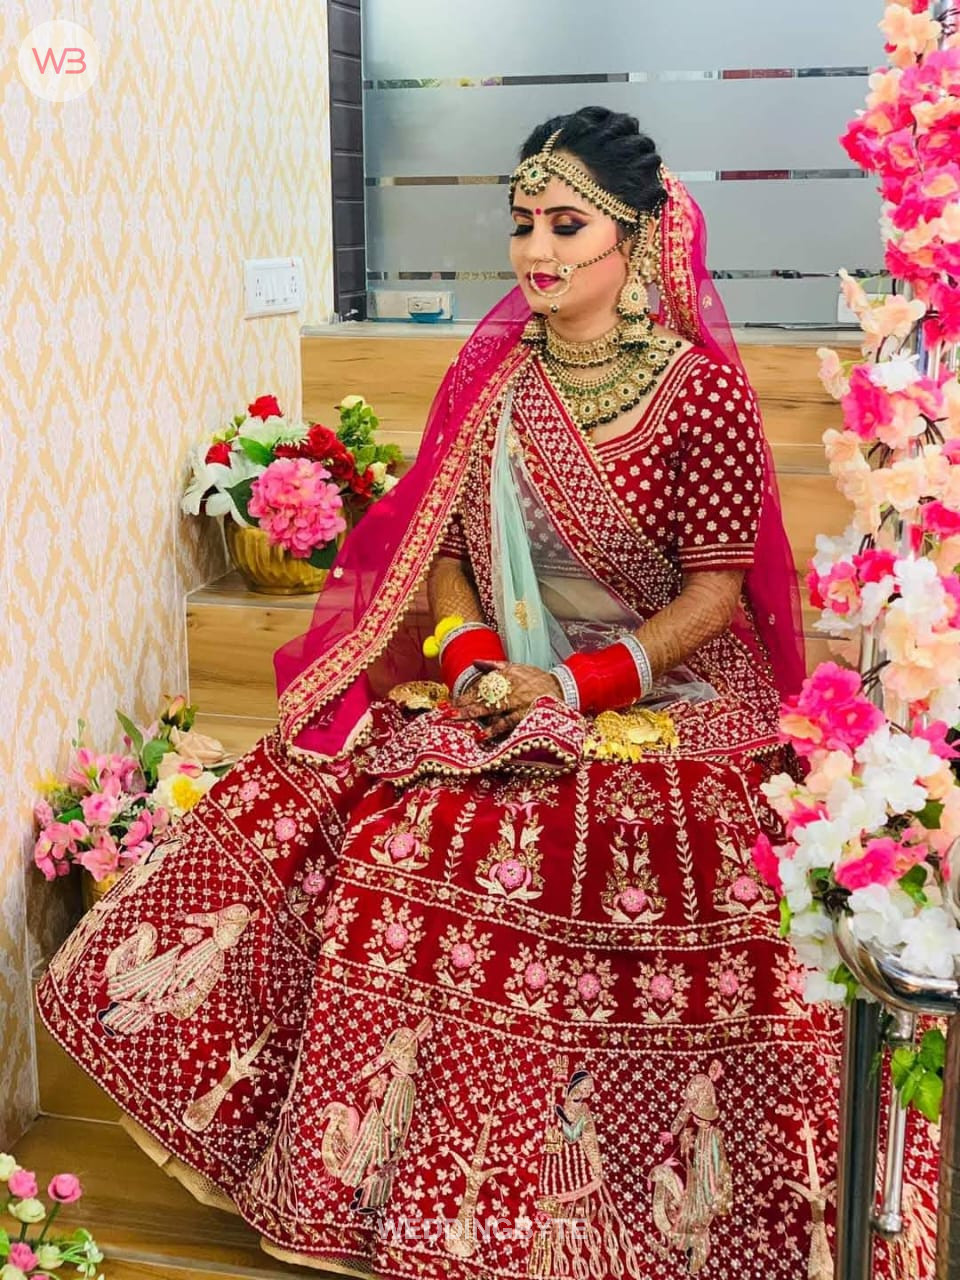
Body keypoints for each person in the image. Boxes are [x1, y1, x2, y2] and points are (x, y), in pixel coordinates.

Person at [36, 106, 936, 1278]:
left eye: (565, 224)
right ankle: (381, 1184)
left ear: (636, 239)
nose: (535, 250)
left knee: (638, 846)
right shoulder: (498, 382)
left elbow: (716, 594)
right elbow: (450, 552)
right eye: (522, 223)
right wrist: (471, 662)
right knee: (379, 814)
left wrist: (572, 682)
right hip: (507, 673)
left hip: (670, 688)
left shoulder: (701, 394)